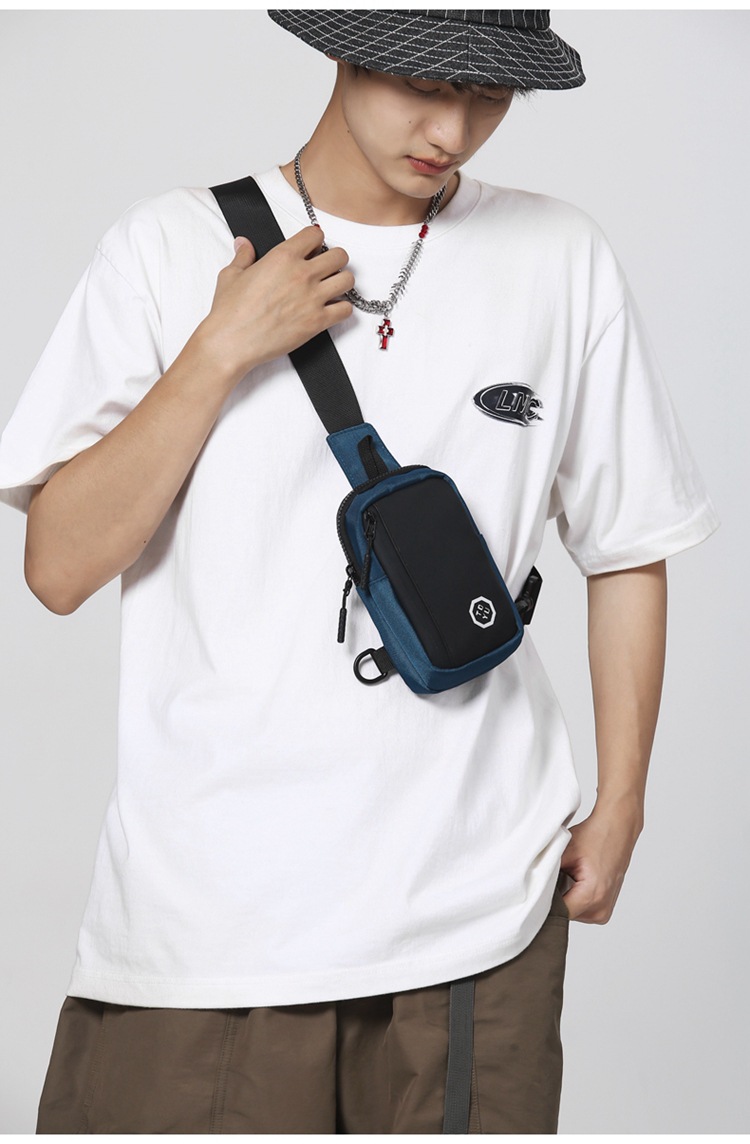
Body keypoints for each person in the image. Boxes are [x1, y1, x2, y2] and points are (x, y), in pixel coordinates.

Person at [0, 9, 719, 1135]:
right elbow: (57, 566)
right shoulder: (168, 247)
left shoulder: (558, 256)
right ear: (345, 49)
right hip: (212, 918)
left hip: (480, 912)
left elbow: (629, 543)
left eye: (489, 95)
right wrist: (219, 350)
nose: (453, 131)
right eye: (424, 84)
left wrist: (623, 802)